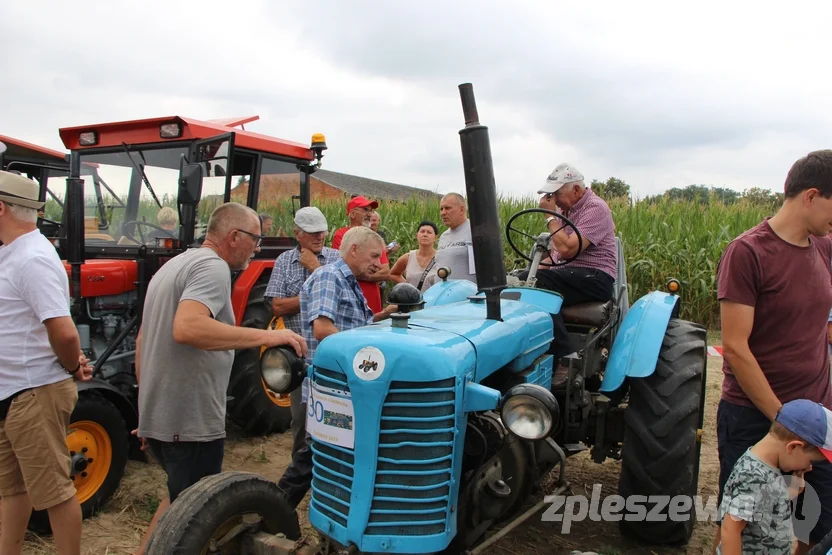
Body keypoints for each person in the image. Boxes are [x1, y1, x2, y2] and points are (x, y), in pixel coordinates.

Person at [133, 202, 307, 554]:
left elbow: (142, 340)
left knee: (177, 506)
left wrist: (145, 410)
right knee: (195, 523)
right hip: (190, 416)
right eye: (255, 239)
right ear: (234, 236)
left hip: (161, 413)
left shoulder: (174, 265)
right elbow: (188, 327)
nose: (256, 248)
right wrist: (267, 337)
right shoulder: (211, 267)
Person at [714, 149, 832, 555]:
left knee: (809, 523)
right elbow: (734, 346)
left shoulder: (825, 249)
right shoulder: (748, 252)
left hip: (816, 421)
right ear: (812, 196)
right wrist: (784, 421)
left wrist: (810, 424)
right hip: (756, 419)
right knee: (740, 524)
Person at [0, 170, 93, 555]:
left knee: (54, 491)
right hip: (13, 391)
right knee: (12, 487)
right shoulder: (13, 253)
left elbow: (66, 333)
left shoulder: (33, 258)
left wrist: (72, 366)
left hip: (32, 391)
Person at [276, 226, 398, 508]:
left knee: (319, 453)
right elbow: (323, 329)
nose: (378, 263)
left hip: (346, 385)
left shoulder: (348, 280)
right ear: (353, 250)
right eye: (374, 256)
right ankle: (275, 509)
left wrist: (383, 317)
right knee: (313, 454)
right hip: (333, 386)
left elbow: (353, 327)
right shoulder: (330, 276)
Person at [264, 206, 340, 500]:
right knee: (300, 422)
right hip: (300, 356)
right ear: (297, 234)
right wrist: (316, 292)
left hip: (331, 354)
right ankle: (300, 478)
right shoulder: (284, 261)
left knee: (333, 420)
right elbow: (277, 307)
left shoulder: (334, 258)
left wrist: (314, 270)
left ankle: (330, 479)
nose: (319, 236)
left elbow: (342, 293)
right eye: (312, 232)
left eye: (322, 230)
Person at [519, 164, 617, 380]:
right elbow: (556, 256)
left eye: (556, 194)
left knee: (542, 283)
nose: (554, 199)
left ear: (575, 190)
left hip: (595, 276)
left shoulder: (595, 208)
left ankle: (566, 356)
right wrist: (526, 274)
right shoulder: (565, 211)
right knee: (518, 281)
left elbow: (567, 249)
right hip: (568, 275)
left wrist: (549, 217)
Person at [716, 399, 832, 555]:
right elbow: (731, 529)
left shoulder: (768, 467)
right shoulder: (753, 475)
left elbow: (763, 506)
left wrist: (790, 492)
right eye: (810, 460)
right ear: (793, 447)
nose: (808, 467)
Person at [331, 196, 390, 313]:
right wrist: (371, 275)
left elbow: (386, 272)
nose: (369, 214)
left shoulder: (374, 238)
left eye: (371, 210)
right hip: (350, 302)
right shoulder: (341, 235)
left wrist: (360, 273)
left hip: (373, 303)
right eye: (365, 210)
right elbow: (342, 269)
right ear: (352, 214)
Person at [423, 193, 477, 288]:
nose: (443, 213)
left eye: (447, 208)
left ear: (461, 209)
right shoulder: (444, 236)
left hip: (468, 298)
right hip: (443, 297)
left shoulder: (475, 231)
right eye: (441, 209)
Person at [389, 220, 438, 292]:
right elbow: (393, 274)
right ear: (417, 235)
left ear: (435, 238)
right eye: (422, 231)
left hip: (434, 300)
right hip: (412, 301)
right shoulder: (408, 257)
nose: (425, 234)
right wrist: (407, 286)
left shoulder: (441, 257)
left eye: (429, 232)